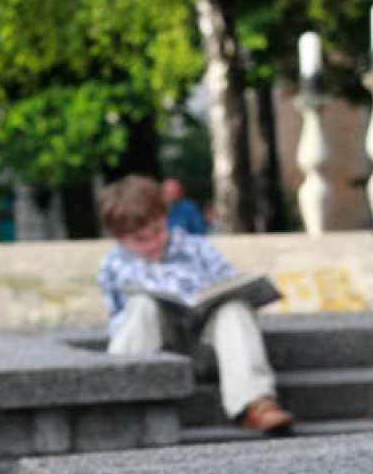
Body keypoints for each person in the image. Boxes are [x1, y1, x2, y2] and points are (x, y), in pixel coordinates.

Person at [97, 175, 293, 435]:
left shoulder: (198, 249)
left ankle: (255, 403)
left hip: (207, 346)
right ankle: (121, 397)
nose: (153, 243)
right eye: (140, 240)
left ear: (165, 217)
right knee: (143, 305)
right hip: (160, 350)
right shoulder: (114, 266)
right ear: (118, 238)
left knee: (233, 307)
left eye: (157, 231)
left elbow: (227, 284)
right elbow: (121, 324)